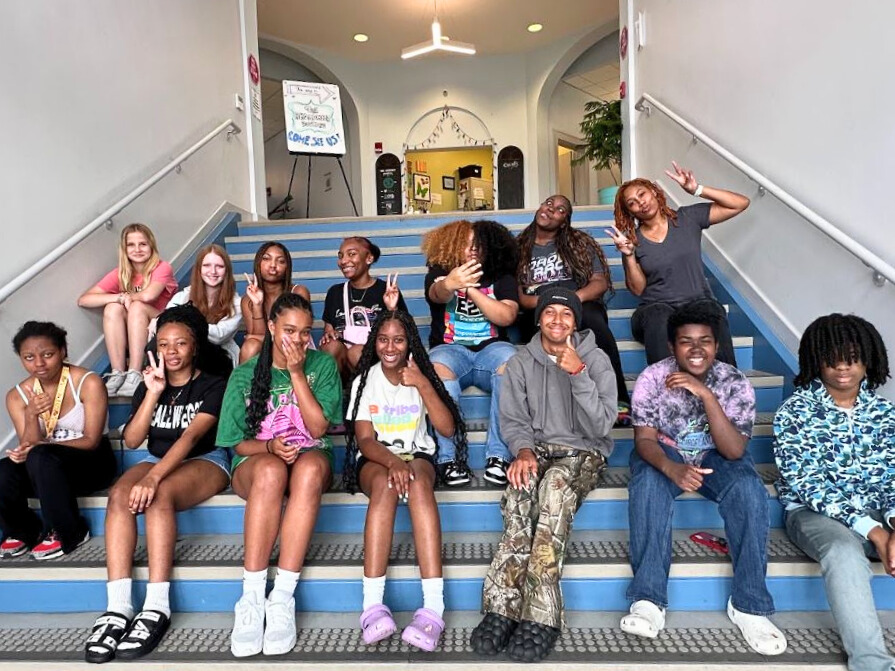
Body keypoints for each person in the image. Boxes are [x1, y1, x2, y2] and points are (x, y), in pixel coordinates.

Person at [621, 302, 786, 655]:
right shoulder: (652, 378)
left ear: (716, 344)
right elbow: (645, 440)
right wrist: (672, 468)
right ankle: (649, 600)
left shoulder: (734, 382)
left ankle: (749, 604)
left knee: (748, 488)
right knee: (647, 484)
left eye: (705, 341)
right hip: (666, 452)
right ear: (671, 346)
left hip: (716, 456)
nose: (696, 349)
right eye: (686, 341)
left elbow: (734, 452)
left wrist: (706, 395)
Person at [470, 288, 615, 663]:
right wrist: (522, 451)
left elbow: (601, 426)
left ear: (576, 322)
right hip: (537, 451)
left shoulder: (595, 360)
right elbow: (513, 420)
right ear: (539, 319)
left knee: (553, 489)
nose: (557, 320)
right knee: (519, 493)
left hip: (583, 453)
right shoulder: (520, 362)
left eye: (566, 315)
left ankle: (541, 616)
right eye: (549, 312)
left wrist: (578, 374)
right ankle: (502, 606)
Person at [83, 305, 231, 663]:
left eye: (181, 344)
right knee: (119, 495)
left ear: (195, 347)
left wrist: (152, 477)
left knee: (158, 494)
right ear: (156, 349)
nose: (173, 351)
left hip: (205, 460)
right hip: (154, 459)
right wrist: (151, 393)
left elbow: (191, 438)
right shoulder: (151, 384)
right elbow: (133, 441)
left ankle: (156, 606)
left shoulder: (213, 385)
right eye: (165, 344)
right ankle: (118, 608)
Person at [216, 293, 342, 657]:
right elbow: (238, 444)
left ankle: (282, 596)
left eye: (305, 332)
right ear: (270, 328)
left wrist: (298, 373)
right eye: (289, 330)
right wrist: (269, 448)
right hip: (256, 464)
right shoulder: (244, 375)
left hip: (308, 457)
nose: (298, 340)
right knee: (272, 471)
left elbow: (318, 430)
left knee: (309, 467)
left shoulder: (322, 366)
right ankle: (252, 598)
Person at [774, 314, 895, 671]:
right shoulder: (794, 413)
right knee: (843, 551)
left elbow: (892, 476)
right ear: (816, 360)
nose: (843, 367)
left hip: (879, 511)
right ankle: (872, 664)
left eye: (853, 356)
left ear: (867, 358)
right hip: (814, 513)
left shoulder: (886, 414)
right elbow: (808, 483)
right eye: (832, 357)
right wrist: (874, 532)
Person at [343, 310, 466, 651]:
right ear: (374, 342)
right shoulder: (364, 381)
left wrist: (423, 384)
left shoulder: (421, 376)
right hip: (376, 459)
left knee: (419, 484)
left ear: (409, 342)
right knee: (384, 485)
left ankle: (432, 608)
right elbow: (366, 441)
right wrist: (394, 461)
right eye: (383, 339)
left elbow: (446, 428)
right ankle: (372, 607)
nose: (390, 347)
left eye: (398, 339)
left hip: (417, 456)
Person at [607, 162, 749, 366]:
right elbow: (638, 290)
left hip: (696, 304)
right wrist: (629, 255)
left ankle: (727, 390)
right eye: (632, 203)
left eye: (642, 194)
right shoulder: (632, 241)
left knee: (711, 309)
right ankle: (667, 392)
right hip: (655, 311)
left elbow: (740, 203)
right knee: (659, 314)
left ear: (654, 192)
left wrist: (697, 189)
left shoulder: (687, 218)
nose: (641, 203)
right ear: (630, 212)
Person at [0, 321, 114, 560]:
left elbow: (91, 440)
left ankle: (69, 531)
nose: (39, 364)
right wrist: (31, 415)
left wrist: (42, 449)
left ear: (63, 351)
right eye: (29, 357)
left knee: (42, 457)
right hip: (44, 468)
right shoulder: (17, 396)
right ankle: (24, 531)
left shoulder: (88, 382)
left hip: (92, 464)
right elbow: (30, 445)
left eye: (48, 355)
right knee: (3, 468)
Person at [516, 194, 631, 425]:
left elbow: (599, 282)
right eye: (548, 203)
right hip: (538, 304)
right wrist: (547, 304)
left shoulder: (579, 243)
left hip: (579, 301)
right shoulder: (518, 248)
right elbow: (519, 295)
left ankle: (617, 398)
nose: (551, 209)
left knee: (594, 324)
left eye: (559, 210)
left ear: (564, 221)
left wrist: (570, 301)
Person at [422, 219, 519, 487]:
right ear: (453, 245)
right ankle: (448, 458)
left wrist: (471, 290)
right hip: (450, 350)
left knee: (512, 364)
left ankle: (499, 457)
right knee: (437, 368)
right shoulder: (441, 271)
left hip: (492, 351)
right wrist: (451, 283)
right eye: (465, 243)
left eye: (478, 243)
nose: (472, 249)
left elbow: (507, 315)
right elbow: (437, 294)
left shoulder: (501, 275)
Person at [78, 223, 178, 397]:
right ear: (124, 249)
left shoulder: (162, 267)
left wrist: (128, 297)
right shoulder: (122, 273)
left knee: (137, 306)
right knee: (112, 308)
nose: (137, 249)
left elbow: (148, 296)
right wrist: (118, 298)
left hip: (162, 322)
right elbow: (84, 300)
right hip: (136, 325)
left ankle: (135, 372)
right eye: (131, 245)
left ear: (151, 246)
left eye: (143, 244)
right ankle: (118, 372)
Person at [319, 236, 407, 380]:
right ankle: (334, 396)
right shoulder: (335, 292)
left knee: (357, 352)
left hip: (375, 359)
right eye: (340, 256)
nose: (344, 261)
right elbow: (328, 329)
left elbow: (403, 334)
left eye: (351, 254)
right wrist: (330, 334)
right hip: (343, 363)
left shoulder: (385, 290)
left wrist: (392, 308)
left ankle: (368, 396)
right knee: (331, 347)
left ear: (369, 259)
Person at [151, 243, 242, 365]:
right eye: (207, 265)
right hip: (183, 350)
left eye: (219, 266)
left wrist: (187, 322)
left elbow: (220, 336)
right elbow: (166, 323)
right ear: (199, 269)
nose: (213, 271)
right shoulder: (183, 296)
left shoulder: (236, 303)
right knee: (155, 343)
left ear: (227, 270)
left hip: (218, 356)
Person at [239, 241, 310, 363]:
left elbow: (294, 335)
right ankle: (244, 382)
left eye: (280, 261)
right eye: (266, 259)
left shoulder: (298, 291)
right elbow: (257, 339)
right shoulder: (247, 300)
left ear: (287, 267)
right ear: (258, 263)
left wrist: (260, 337)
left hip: (293, 347)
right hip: (265, 351)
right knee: (250, 346)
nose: (273, 265)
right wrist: (257, 304)